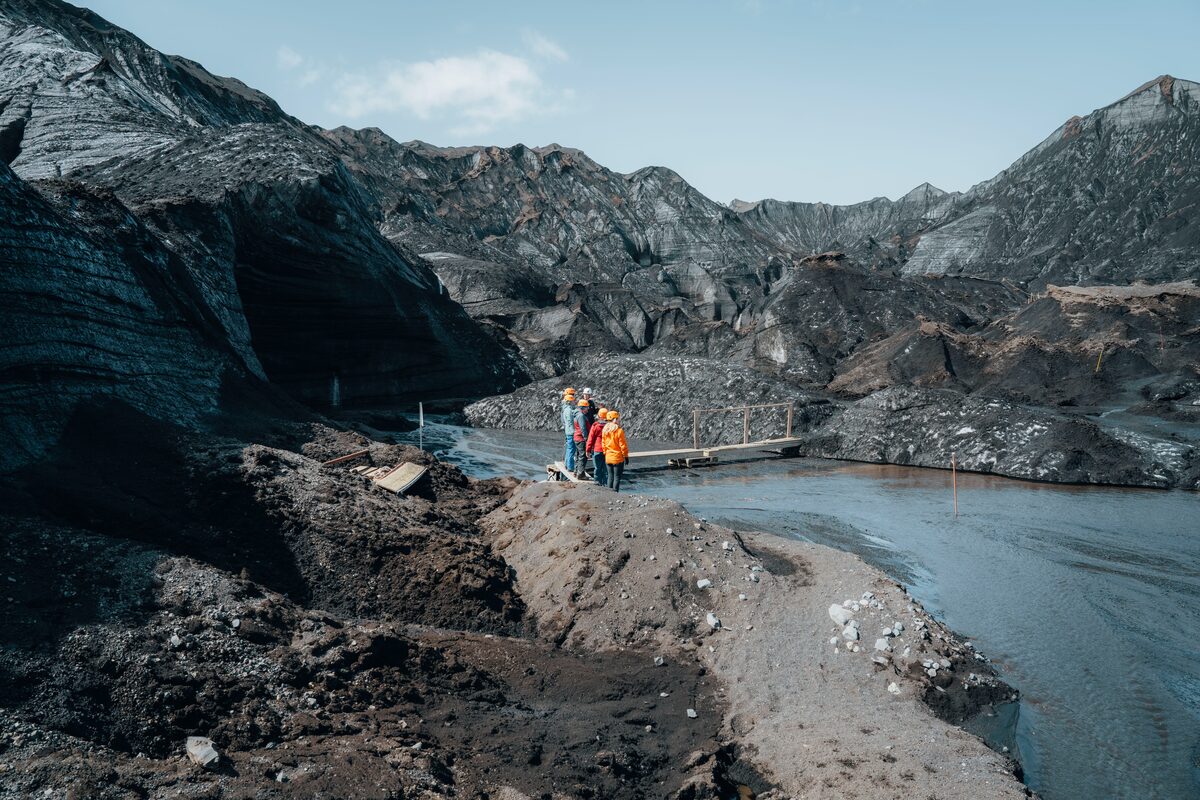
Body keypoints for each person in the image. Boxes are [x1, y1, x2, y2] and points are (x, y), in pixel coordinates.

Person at [602, 409, 629, 491]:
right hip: (617, 458)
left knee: (610, 476)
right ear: (615, 419)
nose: (619, 420)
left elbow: (603, 444)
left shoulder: (605, 430)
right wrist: (626, 456)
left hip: (608, 457)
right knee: (617, 477)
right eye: (617, 418)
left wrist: (605, 453)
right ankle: (615, 494)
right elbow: (623, 445)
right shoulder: (619, 431)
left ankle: (609, 494)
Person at [585, 407, 608, 487]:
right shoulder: (610, 426)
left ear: (598, 416)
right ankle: (605, 484)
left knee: (597, 468)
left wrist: (587, 450)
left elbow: (590, 439)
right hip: (607, 450)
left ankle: (597, 483)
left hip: (597, 449)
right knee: (605, 469)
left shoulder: (595, 426)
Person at [572, 398, 591, 478]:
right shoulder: (581, 416)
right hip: (581, 438)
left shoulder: (577, 414)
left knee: (578, 455)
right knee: (582, 456)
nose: (588, 409)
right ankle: (580, 474)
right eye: (587, 407)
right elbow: (583, 428)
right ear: (582, 407)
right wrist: (587, 439)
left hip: (577, 437)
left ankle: (576, 472)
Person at [560, 388, 576, 471]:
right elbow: (570, 421)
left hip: (567, 430)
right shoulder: (568, 410)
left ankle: (567, 464)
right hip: (571, 431)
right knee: (571, 449)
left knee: (569, 448)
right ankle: (570, 467)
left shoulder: (564, 407)